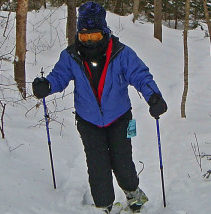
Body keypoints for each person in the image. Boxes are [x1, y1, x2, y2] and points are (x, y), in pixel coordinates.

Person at [32, 1, 167, 213]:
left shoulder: (121, 53)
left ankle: (133, 193)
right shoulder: (71, 56)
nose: (89, 42)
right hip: (88, 121)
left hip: (120, 118)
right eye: (84, 37)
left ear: (104, 33)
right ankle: (103, 205)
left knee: (122, 161)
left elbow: (140, 75)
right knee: (98, 166)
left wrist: (154, 97)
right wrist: (46, 86)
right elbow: (59, 77)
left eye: (94, 36)